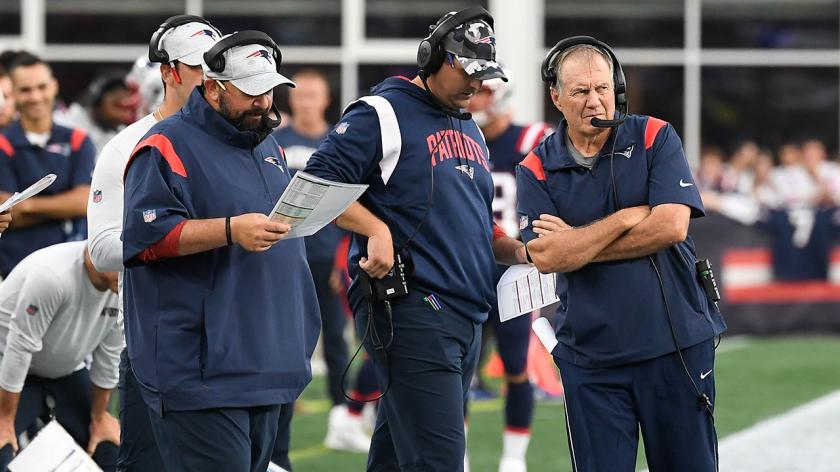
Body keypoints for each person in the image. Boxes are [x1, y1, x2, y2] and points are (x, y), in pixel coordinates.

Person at [304, 7, 528, 471]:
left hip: (466, 315)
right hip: (414, 310)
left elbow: (474, 222)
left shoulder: (469, 127)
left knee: (393, 457)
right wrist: (374, 227)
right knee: (440, 461)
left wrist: (520, 250)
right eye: (468, 73)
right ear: (434, 59)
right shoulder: (382, 112)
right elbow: (314, 188)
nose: (476, 87)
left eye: (484, 77)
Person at [516, 36, 726, 471]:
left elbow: (670, 226)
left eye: (603, 89)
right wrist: (625, 218)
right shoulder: (535, 166)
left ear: (618, 88)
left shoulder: (654, 135)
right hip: (590, 360)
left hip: (675, 346)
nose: (595, 101)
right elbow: (547, 258)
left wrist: (577, 243)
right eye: (580, 92)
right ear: (556, 96)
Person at [122, 30, 320, 472]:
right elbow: (145, 237)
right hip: (201, 373)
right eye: (251, 91)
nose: (264, 102)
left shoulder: (267, 143)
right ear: (212, 87)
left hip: (269, 363)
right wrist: (230, 230)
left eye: (269, 89)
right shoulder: (164, 144)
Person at [86, 14, 221, 471]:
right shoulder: (126, 147)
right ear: (169, 72)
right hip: (155, 345)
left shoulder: (244, 142)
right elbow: (101, 249)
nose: (211, 78)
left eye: (217, 65)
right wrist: (178, 236)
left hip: (235, 341)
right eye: (200, 66)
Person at [270, 69, 373, 460]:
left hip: (327, 256)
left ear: (325, 99)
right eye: (301, 94)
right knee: (284, 334)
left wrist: (343, 256)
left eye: (314, 94)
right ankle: (281, 406)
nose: (306, 101)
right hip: (283, 254)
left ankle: (341, 414)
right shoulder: (276, 140)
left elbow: (354, 201)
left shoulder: (339, 140)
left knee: (335, 338)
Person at [466, 68, 554, 472]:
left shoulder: (533, 139)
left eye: (483, 92)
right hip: (467, 267)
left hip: (514, 270)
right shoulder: (461, 137)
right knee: (461, 370)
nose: (475, 100)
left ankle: (513, 460)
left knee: (516, 365)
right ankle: (460, 458)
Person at [0, 240, 122, 471]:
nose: (128, 268)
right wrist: (4, 421)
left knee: (111, 452)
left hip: (65, 373)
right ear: (97, 244)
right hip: (7, 367)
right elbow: (19, 349)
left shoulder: (126, 283)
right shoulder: (52, 275)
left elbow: (110, 356)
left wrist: (99, 417)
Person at [0, 53, 96, 277]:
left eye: (42, 87)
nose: (35, 96)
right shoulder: (3, 142)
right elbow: (7, 213)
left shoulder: (77, 140)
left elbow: (85, 202)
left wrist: (27, 205)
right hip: (15, 271)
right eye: (25, 90)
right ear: (12, 93)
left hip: (73, 272)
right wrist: (63, 206)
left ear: (54, 86)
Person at [55, 71, 135, 154]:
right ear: (97, 100)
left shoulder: (123, 134)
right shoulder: (65, 123)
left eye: (127, 108)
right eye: (117, 106)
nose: (122, 114)